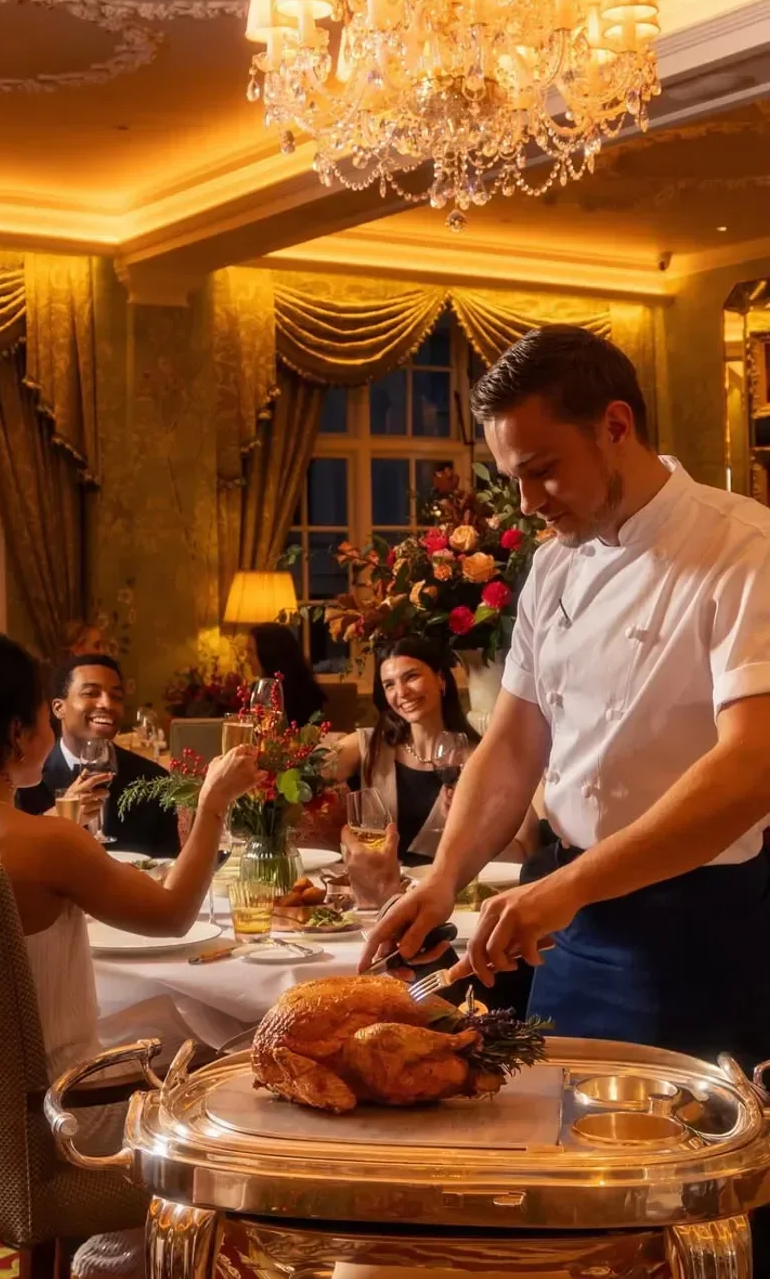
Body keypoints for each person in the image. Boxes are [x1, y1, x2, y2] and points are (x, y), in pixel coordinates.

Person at [363, 324, 770, 1069]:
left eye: (542, 471)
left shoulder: (744, 549)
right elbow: (513, 745)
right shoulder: (554, 566)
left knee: (679, 1141)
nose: (525, 503)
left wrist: (565, 890)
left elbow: (752, 766)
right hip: (569, 927)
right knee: (549, 1126)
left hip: (696, 927)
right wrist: (443, 878)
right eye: (511, 477)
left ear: (614, 426)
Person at [0, 633, 261, 1279]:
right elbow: (173, 914)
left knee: (182, 1020)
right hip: (64, 1122)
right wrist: (212, 804)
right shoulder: (43, 841)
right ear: (17, 732)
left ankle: (134, 1247)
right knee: (246, 1065)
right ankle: (145, 1254)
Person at [333, 635, 539, 872]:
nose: (401, 692)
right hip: (375, 887)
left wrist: (473, 829)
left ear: (440, 679)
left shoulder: (482, 760)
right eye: (389, 685)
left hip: (448, 890)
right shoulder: (368, 746)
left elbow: (525, 854)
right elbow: (307, 773)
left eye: (411, 677)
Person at [17, 655, 179, 858]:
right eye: (91, 693)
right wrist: (61, 817)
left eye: (116, 697)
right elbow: (10, 858)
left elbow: (169, 864)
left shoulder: (153, 779)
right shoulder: (24, 780)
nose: (106, 704)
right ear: (59, 708)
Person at [250, 622, 327, 727]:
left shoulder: (304, 696)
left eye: (251, 652)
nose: (246, 659)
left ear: (268, 654)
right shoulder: (258, 691)